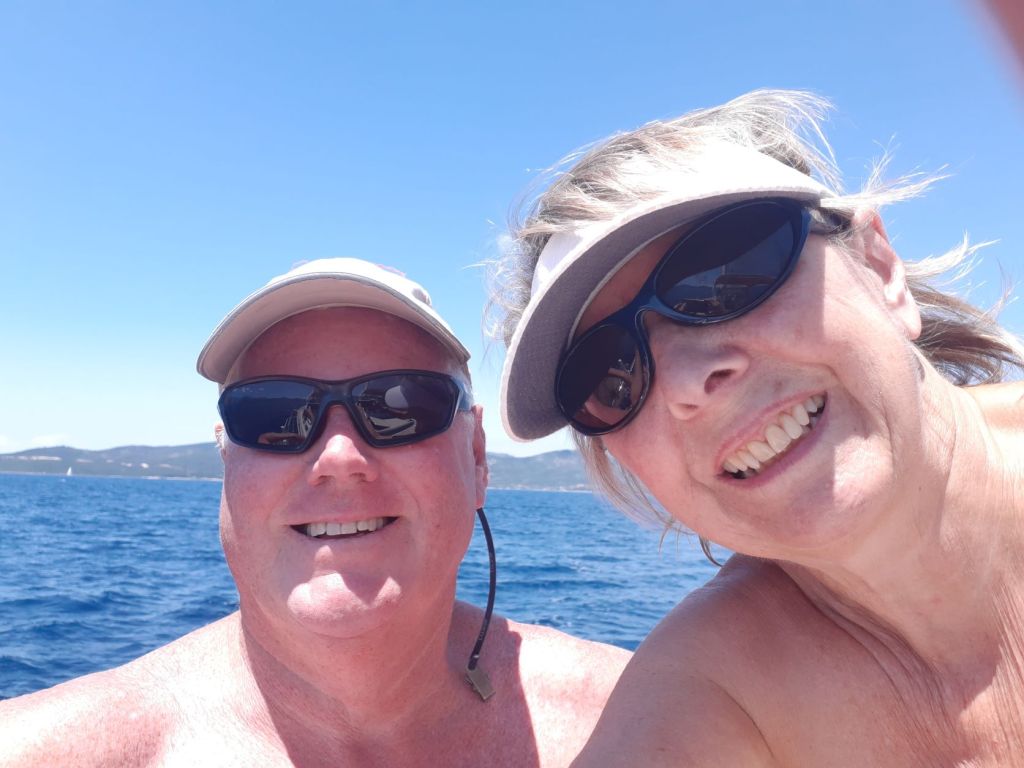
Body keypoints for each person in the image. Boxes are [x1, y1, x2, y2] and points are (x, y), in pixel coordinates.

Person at [488, 89, 1024, 765]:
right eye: (608, 377)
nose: (688, 383)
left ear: (879, 268)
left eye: (730, 274)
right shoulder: (704, 694)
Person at [0, 258, 629, 767]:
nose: (339, 457)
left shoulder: (639, 722)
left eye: (400, 406)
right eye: (273, 415)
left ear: (477, 455)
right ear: (227, 460)